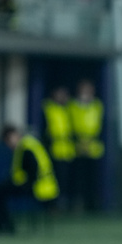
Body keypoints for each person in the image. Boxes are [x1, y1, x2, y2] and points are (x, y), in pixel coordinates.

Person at [0, 126, 59, 235]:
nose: (8, 144)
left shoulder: (26, 147)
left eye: (8, 139)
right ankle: (4, 225)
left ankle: (3, 226)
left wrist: (20, 183)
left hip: (37, 188)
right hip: (42, 186)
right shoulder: (29, 144)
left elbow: (32, 173)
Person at [68, 80, 104, 212]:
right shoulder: (72, 105)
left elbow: (99, 125)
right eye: (84, 90)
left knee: (92, 179)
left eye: (89, 90)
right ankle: (76, 203)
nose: (86, 93)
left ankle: (92, 204)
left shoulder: (97, 105)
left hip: (93, 148)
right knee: (77, 179)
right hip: (76, 147)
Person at [42, 86, 75, 210]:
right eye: (59, 94)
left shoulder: (69, 109)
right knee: (52, 179)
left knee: (65, 180)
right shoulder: (48, 108)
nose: (62, 97)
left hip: (67, 151)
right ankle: (51, 205)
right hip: (52, 150)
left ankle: (63, 204)